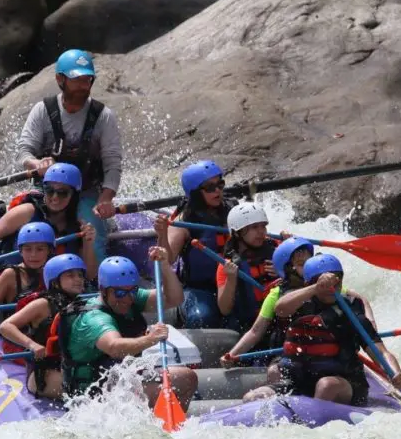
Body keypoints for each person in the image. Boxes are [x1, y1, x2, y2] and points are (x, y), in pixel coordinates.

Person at [243, 254, 401, 406]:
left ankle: (312, 421)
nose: (331, 287)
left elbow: (380, 351)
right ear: (309, 283)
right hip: (299, 381)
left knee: (326, 386)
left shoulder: (352, 313)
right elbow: (280, 309)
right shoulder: (299, 305)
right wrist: (316, 288)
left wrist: (395, 373)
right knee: (252, 397)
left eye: (337, 281)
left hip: (344, 382)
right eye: (322, 283)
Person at [15, 49, 123, 264]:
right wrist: (37, 163)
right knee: (29, 227)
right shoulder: (43, 110)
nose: (83, 86)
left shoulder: (103, 115)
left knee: (93, 228)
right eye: (76, 80)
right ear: (60, 79)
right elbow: (23, 152)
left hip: (86, 191)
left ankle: (95, 281)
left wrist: (105, 198)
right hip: (47, 190)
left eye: (87, 80)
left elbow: (113, 164)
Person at [54, 251, 198, 411]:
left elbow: (174, 299)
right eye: (120, 293)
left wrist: (165, 267)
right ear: (103, 290)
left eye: (133, 291)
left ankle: (168, 428)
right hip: (91, 397)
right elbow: (115, 347)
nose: (127, 299)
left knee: (187, 378)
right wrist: (151, 338)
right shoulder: (94, 319)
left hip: (119, 381)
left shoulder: (128, 297)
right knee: (174, 382)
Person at [0, 163, 98, 284]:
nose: (55, 197)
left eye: (62, 193)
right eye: (50, 191)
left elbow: (90, 275)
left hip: (46, 294)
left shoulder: (78, 227)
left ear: (73, 196)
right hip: (7, 286)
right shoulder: (26, 212)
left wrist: (88, 243)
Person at [153, 160, 236, 328]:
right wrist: (162, 234)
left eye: (220, 184)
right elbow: (167, 259)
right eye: (210, 188)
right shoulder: (184, 221)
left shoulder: (233, 210)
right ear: (196, 193)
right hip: (199, 289)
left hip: (233, 281)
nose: (218, 191)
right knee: (202, 319)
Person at [0, 253, 88, 399]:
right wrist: (32, 345)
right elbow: (5, 326)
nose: (78, 279)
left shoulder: (83, 304)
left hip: (72, 367)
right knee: (88, 391)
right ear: (55, 281)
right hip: (43, 372)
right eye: (70, 275)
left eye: (80, 275)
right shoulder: (43, 304)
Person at [216, 202, 282, 335]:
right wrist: (231, 279)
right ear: (237, 233)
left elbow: (305, 275)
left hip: (280, 317)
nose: (261, 231)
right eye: (254, 227)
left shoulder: (279, 249)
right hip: (250, 325)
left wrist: (284, 270)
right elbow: (224, 309)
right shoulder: (227, 265)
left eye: (263, 226)